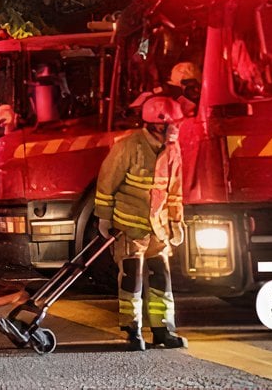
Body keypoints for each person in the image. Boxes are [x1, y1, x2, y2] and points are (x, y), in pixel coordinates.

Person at [94, 92, 188, 351]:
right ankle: (132, 330)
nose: (174, 129)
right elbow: (107, 183)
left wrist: (177, 222)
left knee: (161, 277)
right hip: (129, 227)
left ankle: (163, 330)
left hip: (158, 228)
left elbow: (174, 190)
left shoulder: (173, 150)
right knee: (132, 278)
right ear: (154, 124)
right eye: (170, 125)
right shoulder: (129, 146)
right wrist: (104, 216)